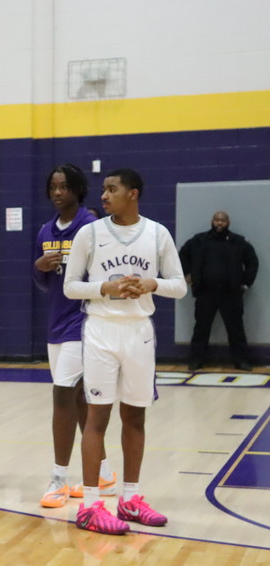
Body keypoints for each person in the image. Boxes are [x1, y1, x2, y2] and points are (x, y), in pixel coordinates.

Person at [64, 168, 187, 535]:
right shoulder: (90, 233)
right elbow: (71, 287)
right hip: (101, 331)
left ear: (132, 194)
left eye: (111, 189)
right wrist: (107, 288)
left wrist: (151, 283)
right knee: (96, 419)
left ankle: (130, 499)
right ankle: (89, 506)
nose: (104, 196)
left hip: (139, 333)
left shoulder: (156, 233)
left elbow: (179, 286)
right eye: (103, 190)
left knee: (136, 417)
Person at [32, 164, 116, 509]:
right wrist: (40, 268)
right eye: (53, 187)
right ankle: (106, 473)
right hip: (56, 324)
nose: (57, 193)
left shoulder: (92, 228)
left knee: (62, 394)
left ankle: (58, 479)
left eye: (64, 187)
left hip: (83, 324)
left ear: (77, 190)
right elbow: (42, 285)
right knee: (79, 399)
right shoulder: (45, 231)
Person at [179, 211, 259, 371]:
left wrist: (245, 283)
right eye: (217, 220)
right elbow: (182, 255)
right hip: (205, 292)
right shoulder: (199, 241)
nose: (219, 223)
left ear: (228, 222)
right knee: (201, 328)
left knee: (236, 329)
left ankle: (241, 361)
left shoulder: (238, 242)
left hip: (231, 293)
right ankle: (196, 360)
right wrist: (186, 273)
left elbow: (252, 262)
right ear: (212, 221)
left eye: (222, 220)